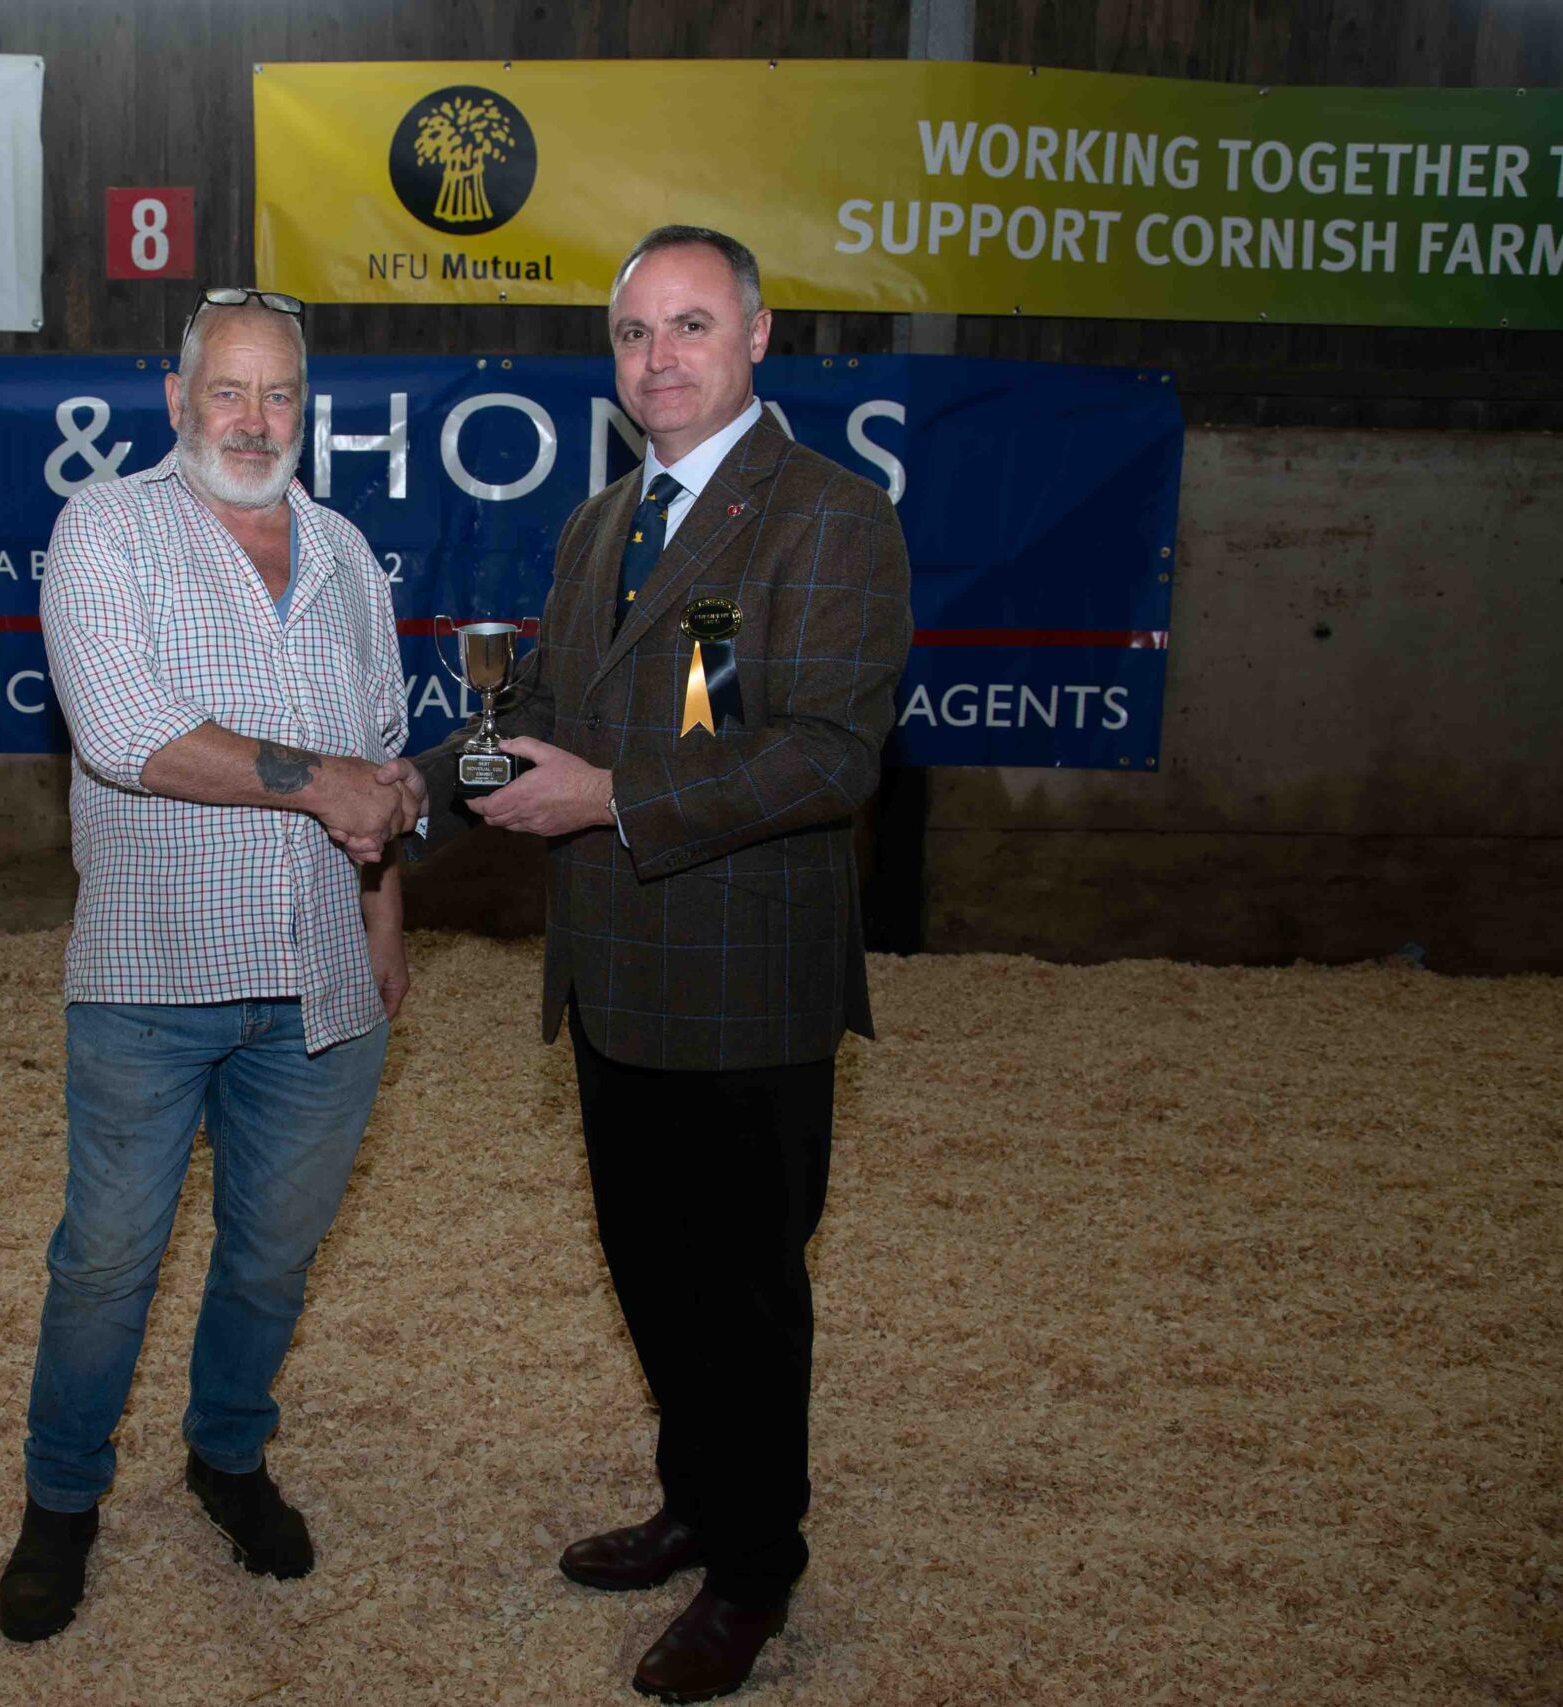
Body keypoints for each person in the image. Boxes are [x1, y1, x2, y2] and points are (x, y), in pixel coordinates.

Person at [384, 227, 912, 1702]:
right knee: (654, 1272)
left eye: (690, 325)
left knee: (744, 1294)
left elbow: (830, 756)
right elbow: (545, 711)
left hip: (745, 980)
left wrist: (611, 798)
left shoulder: (830, 518)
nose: (659, 357)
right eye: (634, 332)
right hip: (615, 973)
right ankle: (699, 1500)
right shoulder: (603, 521)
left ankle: (754, 1571)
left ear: (757, 335)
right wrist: (411, 794)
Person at [0, 288, 419, 1643]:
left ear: (306, 410)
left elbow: (386, 755)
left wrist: (387, 918)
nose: (252, 419)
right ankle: (61, 1499)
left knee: (272, 1259)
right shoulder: (107, 528)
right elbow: (126, 733)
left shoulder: (347, 555)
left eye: (278, 393)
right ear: (177, 399)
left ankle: (227, 1455)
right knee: (107, 1261)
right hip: (150, 977)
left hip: (324, 988)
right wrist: (326, 784)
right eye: (226, 390)